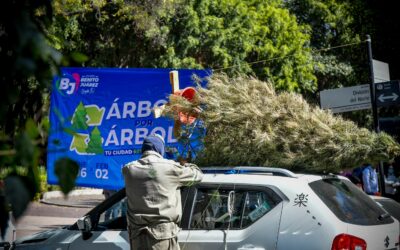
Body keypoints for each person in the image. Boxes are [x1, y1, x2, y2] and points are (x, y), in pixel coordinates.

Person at [122, 134, 203, 250]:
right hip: (162, 237)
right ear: (160, 149)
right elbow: (198, 175)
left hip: (137, 236)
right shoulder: (170, 168)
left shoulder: (128, 169)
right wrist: (184, 164)